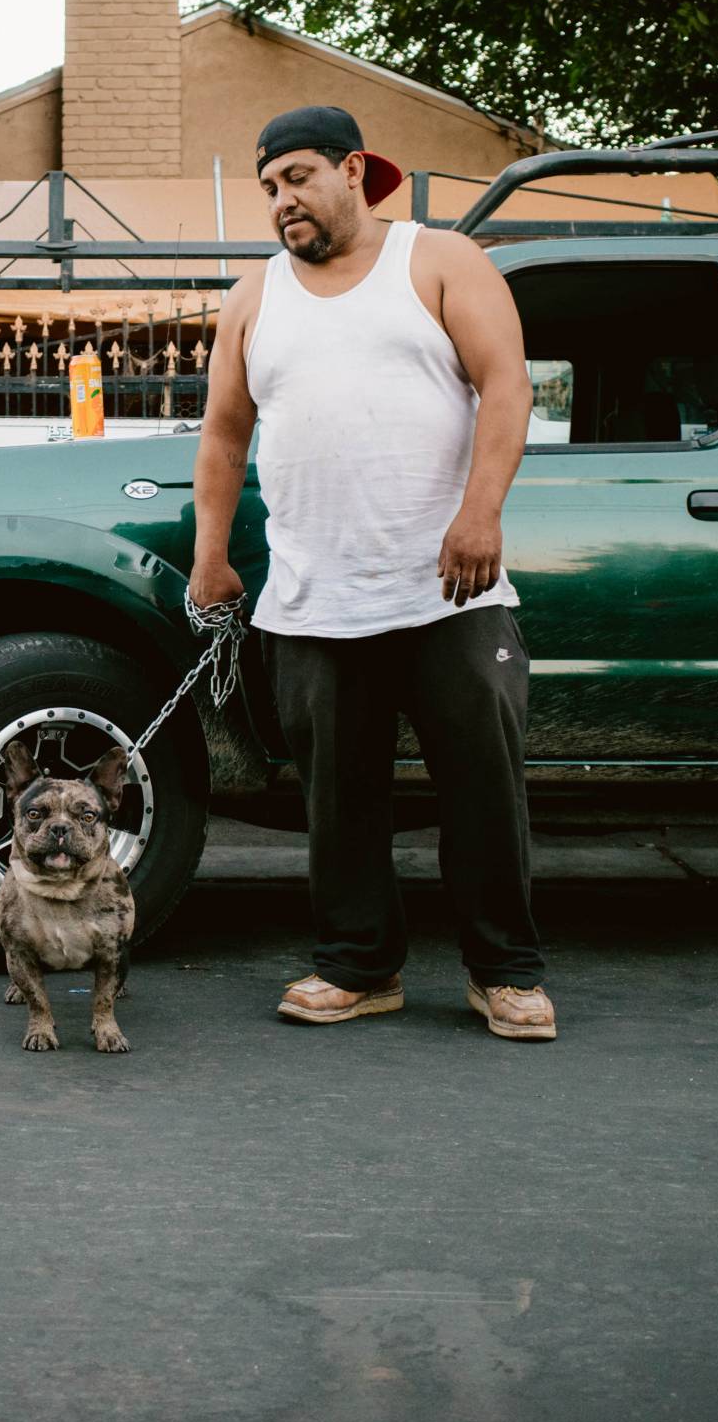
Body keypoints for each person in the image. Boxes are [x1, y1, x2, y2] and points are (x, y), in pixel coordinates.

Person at [189, 106, 555, 1040]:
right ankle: (358, 966)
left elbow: (508, 383)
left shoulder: (437, 261)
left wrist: (481, 512)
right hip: (314, 596)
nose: (282, 201)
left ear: (355, 169)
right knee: (338, 801)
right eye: (271, 187)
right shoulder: (254, 296)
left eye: (300, 177)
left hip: (449, 590)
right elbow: (226, 432)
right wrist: (211, 552)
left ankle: (503, 971)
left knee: (481, 788)